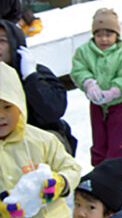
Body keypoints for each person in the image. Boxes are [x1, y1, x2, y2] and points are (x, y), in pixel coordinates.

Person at [0, 62, 82, 218]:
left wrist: (60, 183)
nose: (1, 115)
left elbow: (71, 168)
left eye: (7, 107)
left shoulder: (42, 141)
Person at [70, 9, 122, 170]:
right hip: (96, 105)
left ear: (117, 35)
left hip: (118, 105)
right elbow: (79, 69)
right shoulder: (84, 52)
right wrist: (88, 83)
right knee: (99, 140)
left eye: (108, 34)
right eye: (99, 35)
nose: (104, 39)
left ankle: (119, 173)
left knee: (117, 141)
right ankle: (99, 171)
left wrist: (115, 90)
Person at [0, 19, 77, 156]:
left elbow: (53, 111)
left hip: (41, 143)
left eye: (2, 41)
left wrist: (31, 78)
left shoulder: (37, 72)